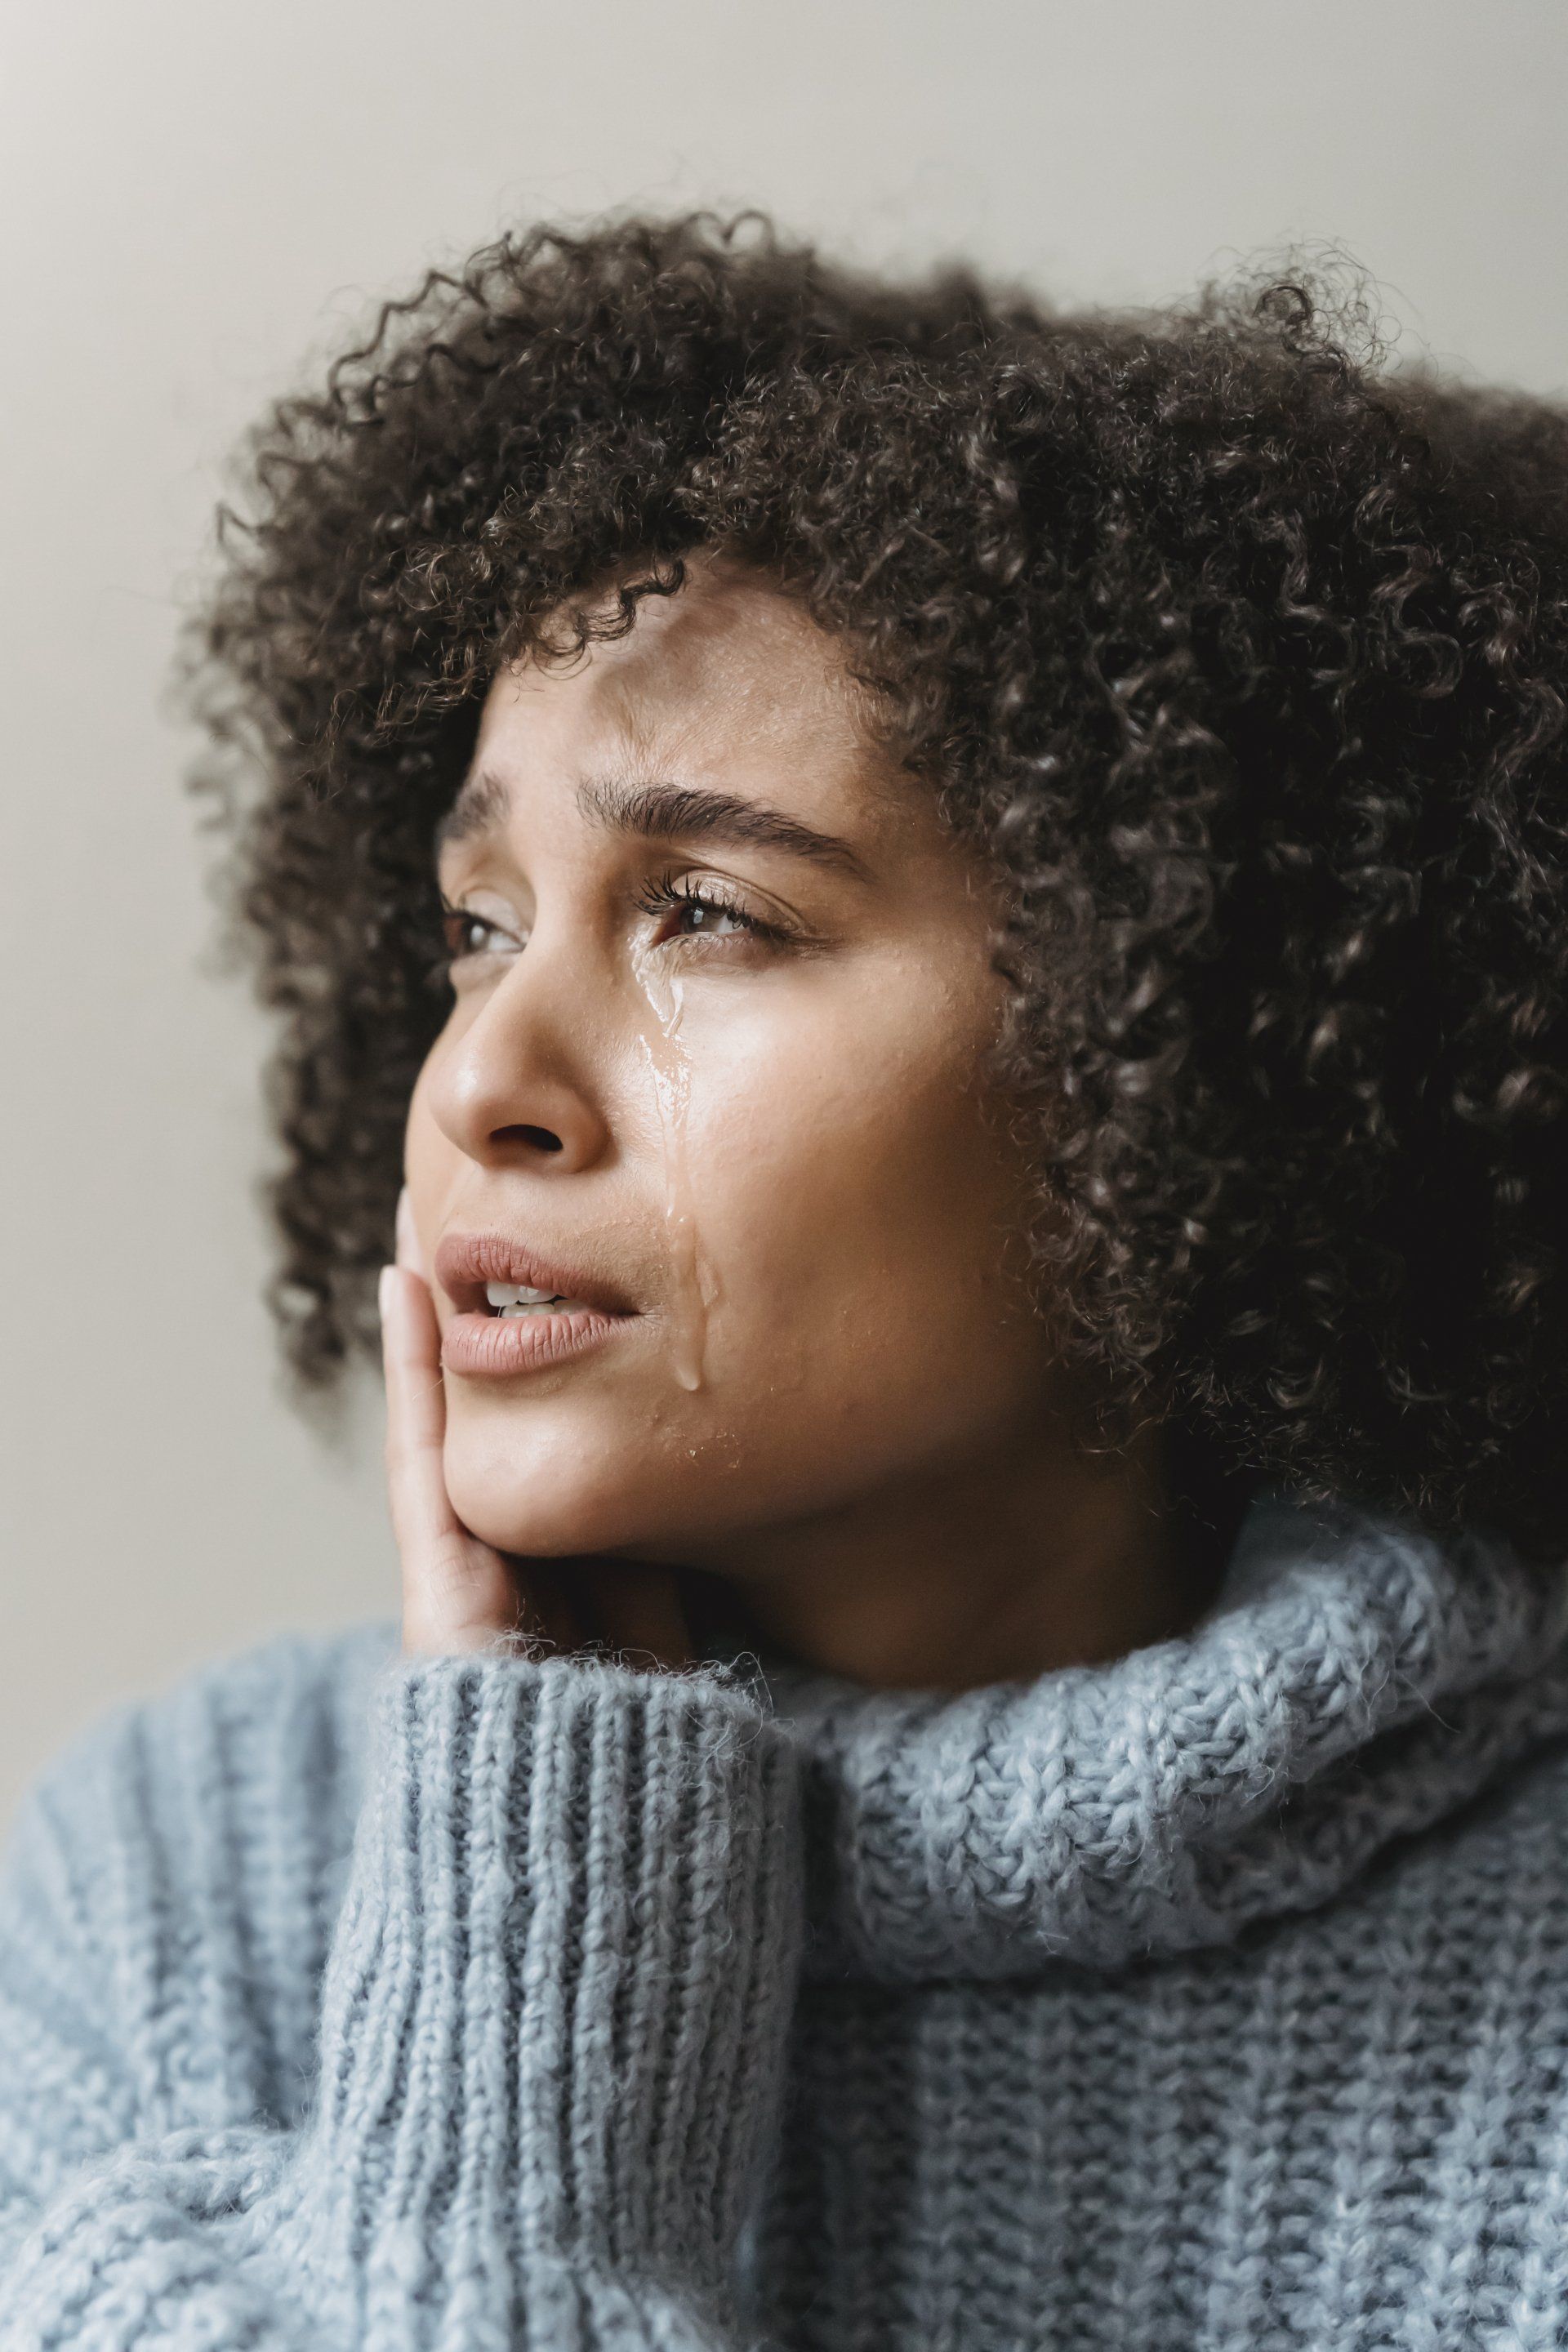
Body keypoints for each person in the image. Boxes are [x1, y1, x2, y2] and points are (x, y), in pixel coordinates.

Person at [2, 211, 1567, 2351]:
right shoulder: (162, 1898)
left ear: (1177, 1061)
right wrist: (549, 1916)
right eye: (477, 925)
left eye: (709, 914)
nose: (486, 1084)